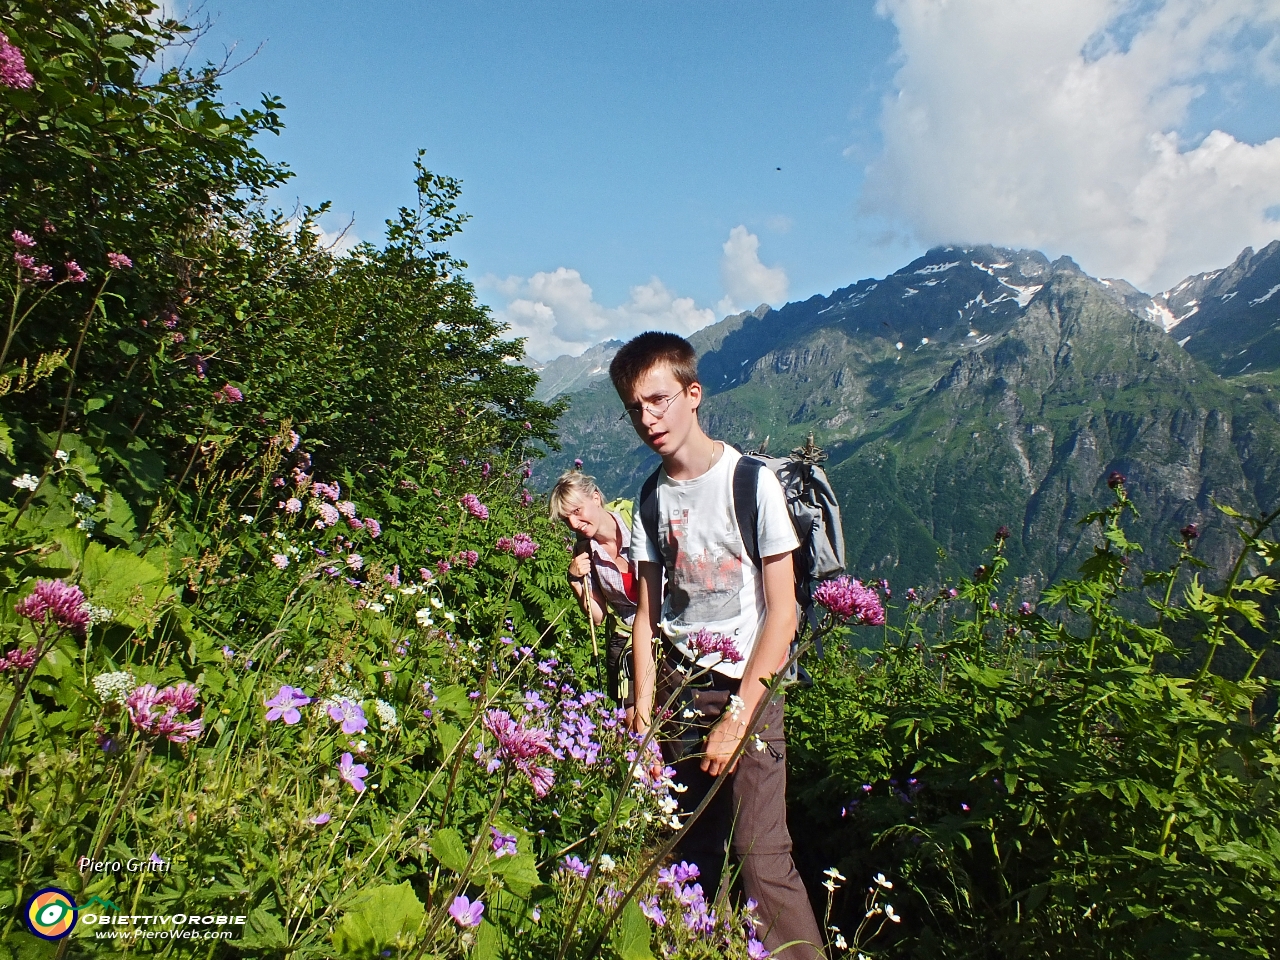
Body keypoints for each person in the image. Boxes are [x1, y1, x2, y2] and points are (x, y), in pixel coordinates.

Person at [609, 331, 825, 959]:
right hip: (678, 689)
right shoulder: (651, 497)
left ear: (692, 394)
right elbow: (647, 617)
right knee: (690, 851)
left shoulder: (751, 483)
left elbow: (782, 614)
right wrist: (644, 718)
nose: (647, 419)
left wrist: (737, 717)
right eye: (635, 408)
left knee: (761, 859)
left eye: (658, 400)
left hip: (746, 691)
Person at [548, 471, 638, 718]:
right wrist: (575, 581)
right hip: (626, 640)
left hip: (666, 632)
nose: (575, 524)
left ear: (596, 498)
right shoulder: (584, 552)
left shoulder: (637, 521)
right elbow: (597, 617)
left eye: (577, 511)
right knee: (633, 724)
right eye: (567, 520)